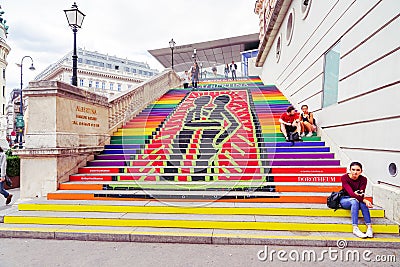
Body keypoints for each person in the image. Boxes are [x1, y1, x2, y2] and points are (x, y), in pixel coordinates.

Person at [340, 162, 373, 238]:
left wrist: (361, 197)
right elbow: (351, 194)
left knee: (361, 203)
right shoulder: (344, 177)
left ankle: (369, 227)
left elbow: (361, 193)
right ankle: (355, 228)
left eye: (358, 170)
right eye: (353, 170)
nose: (355, 172)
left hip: (357, 200)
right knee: (355, 201)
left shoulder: (363, 179)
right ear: (350, 170)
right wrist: (365, 200)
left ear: (361, 171)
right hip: (345, 199)